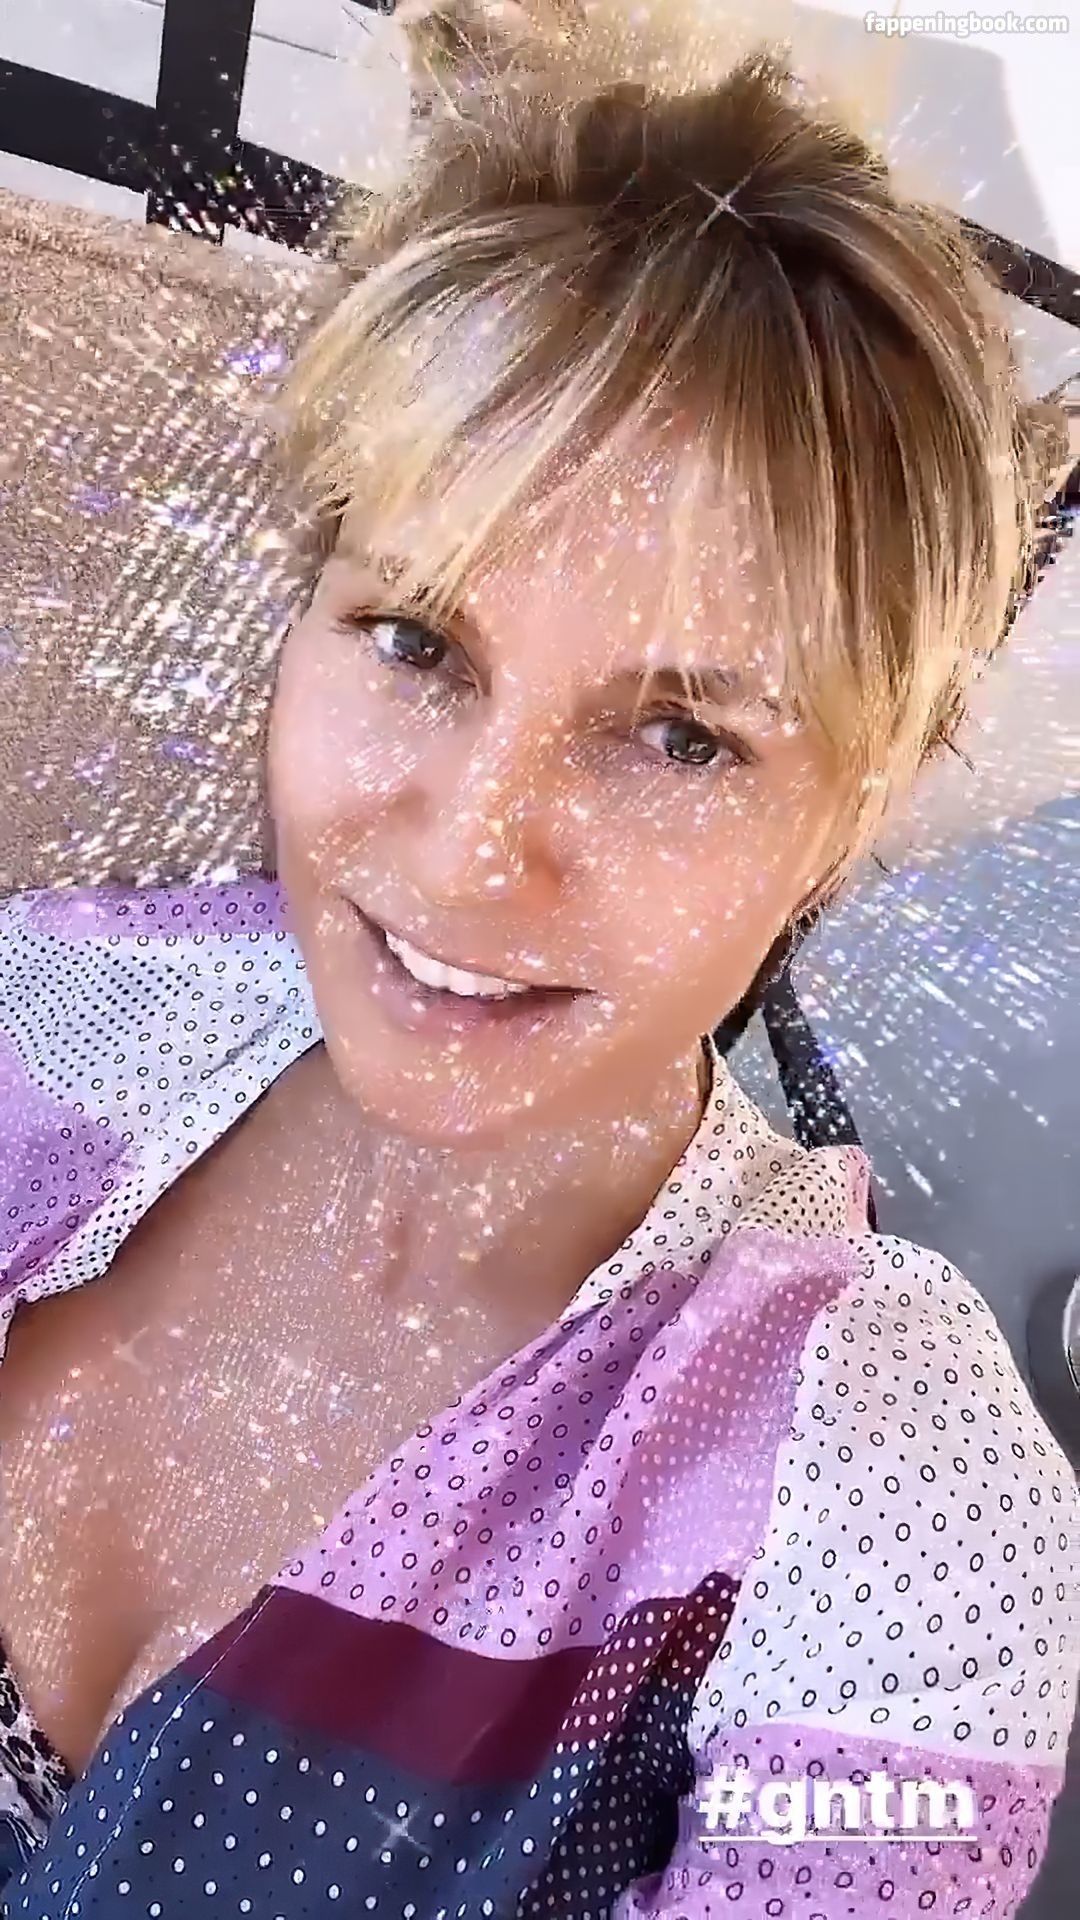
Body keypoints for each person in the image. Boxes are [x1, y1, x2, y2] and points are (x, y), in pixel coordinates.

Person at [0, 4, 1075, 1913]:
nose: (469, 856)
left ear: (859, 801)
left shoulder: (894, 1481)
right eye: (417, 641)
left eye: (680, 736)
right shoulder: (41, 1013)